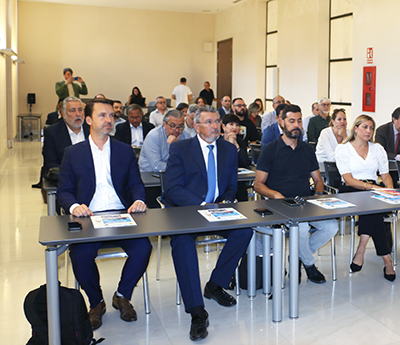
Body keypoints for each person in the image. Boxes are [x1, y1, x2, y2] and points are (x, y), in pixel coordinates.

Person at [56, 98, 151, 330]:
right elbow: (64, 191)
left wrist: (139, 199)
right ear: (88, 120)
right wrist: (74, 206)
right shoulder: (73, 153)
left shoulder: (123, 150)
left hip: (121, 215)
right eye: (102, 115)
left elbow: (136, 183)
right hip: (89, 218)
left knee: (143, 248)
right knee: (79, 254)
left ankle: (122, 295)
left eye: (111, 115)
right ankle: (96, 302)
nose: (109, 120)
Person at [163, 106, 253, 341]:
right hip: (188, 211)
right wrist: (202, 205)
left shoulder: (228, 149)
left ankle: (215, 284)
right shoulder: (181, 149)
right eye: (210, 122)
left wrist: (227, 200)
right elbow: (171, 189)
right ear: (196, 125)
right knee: (182, 242)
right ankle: (196, 311)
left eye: (217, 122)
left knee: (244, 231)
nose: (216, 126)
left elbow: (233, 184)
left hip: (218, 210)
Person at [254, 104, 338, 284]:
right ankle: (309, 264)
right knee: (301, 228)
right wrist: (275, 194)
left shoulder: (307, 149)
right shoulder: (270, 149)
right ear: (280, 121)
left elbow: (318, 180)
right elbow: (258, 185)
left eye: (299, 121)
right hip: (279, 205)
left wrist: (318, 192)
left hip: (306, 203)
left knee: (331, 226)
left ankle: (299, 256)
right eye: (291, 121)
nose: (296, 125)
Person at [335, 114, 396, 282]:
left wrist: (390, 190)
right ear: (355, 128)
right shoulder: (343, 148)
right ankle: (386, 258)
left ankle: (361, 249)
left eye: (371, 128)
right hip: (350, 189)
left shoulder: (377, 149)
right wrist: (375, 188)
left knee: (372, 207)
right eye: (365, 127)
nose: (368, 131)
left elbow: (385, 175)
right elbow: (348, 179)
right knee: (372, 206)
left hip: (373, 191)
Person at [40, 97, 90, 182]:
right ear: (63, 114)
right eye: (72, 110)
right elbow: (51, 163)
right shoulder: (52, 132)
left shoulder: (92, 129)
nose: (78, 114)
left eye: (80, 110)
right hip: (65, 180)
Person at [222, 114, 252, 201]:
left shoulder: (240, 141)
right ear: (223, 126)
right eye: (231, 124)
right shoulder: (218, 141)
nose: (234, 127)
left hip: (238, 181)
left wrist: (236, 145)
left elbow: (245, 163)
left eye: (237, 125)